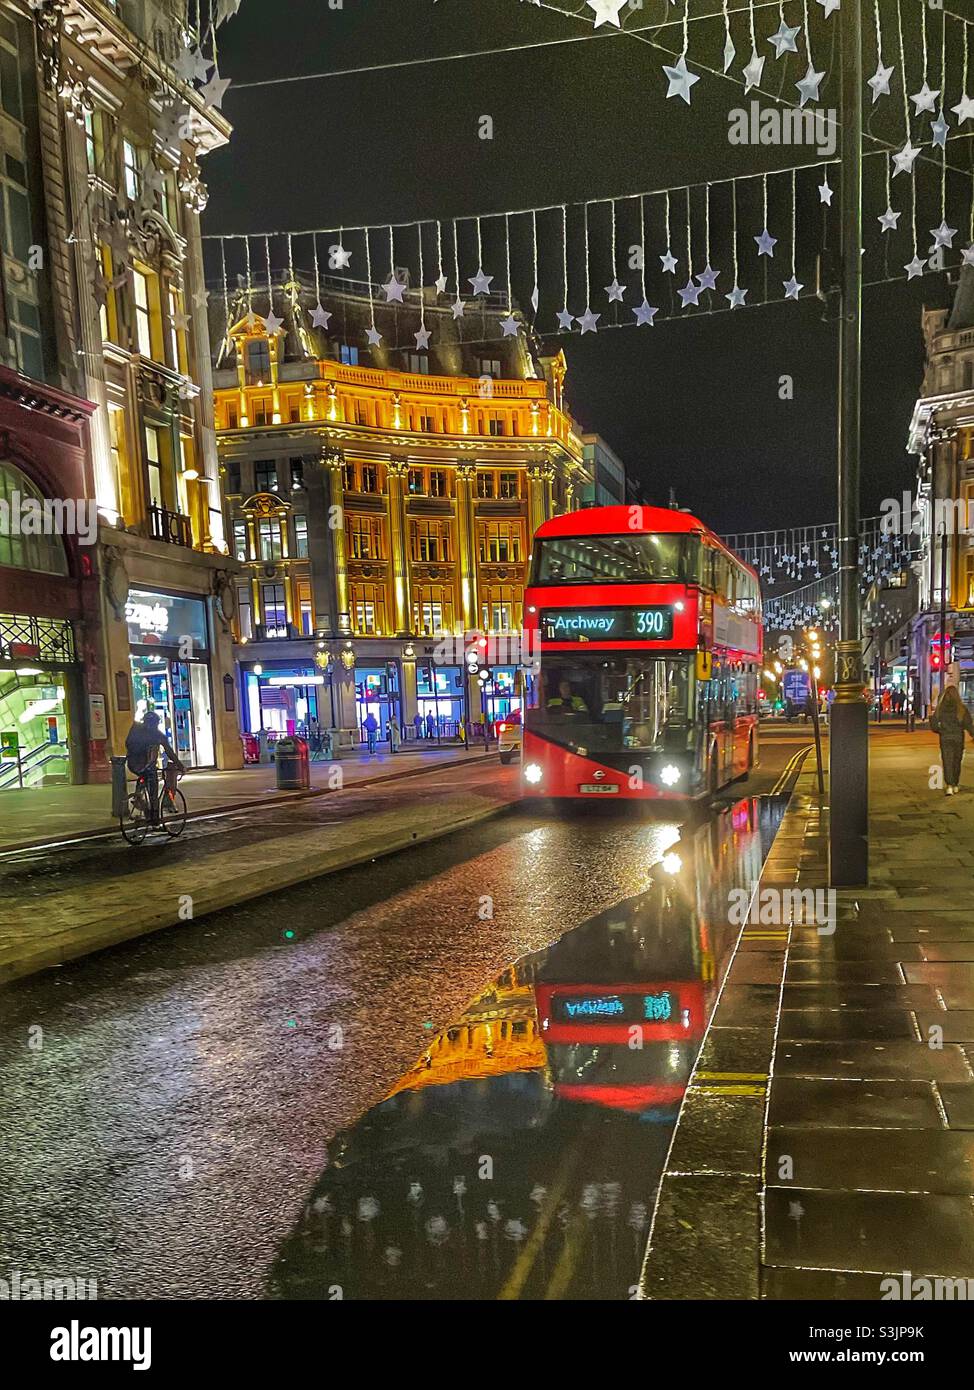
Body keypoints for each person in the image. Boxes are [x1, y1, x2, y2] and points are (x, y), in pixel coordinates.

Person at [125, 711, 183, 824]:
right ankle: (155, 820)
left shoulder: (135, 728)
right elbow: (170, 752)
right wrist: (180, 766)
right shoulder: (157, 735)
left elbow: (127, 744)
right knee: (153, 791)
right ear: (156, 723)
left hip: (132, 764)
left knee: (143, 777)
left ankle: (138, 796)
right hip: (147, 766)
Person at [930, 684, 974, 796]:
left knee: (947, 761)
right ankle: (955, 784)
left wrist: (941, 731)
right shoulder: (961, 709)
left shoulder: (940, 709)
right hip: (958, 738)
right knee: (956, 762)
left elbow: (934, 725)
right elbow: (968, 724)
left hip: (945, 738)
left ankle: (949, 785)